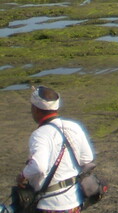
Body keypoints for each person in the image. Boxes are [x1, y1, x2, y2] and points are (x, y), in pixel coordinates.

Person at [17, 85, 95, 213]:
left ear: (36, 109)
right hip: (74, 201)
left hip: (49, 205)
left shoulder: (40, 134)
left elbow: (38, 166)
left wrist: (23, 175)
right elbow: (87, 158)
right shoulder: (74, 127)